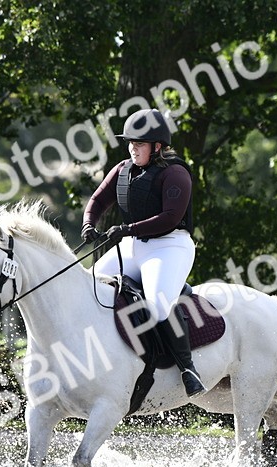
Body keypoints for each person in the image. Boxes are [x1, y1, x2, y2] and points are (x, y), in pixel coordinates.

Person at [81, 108, 206, 396]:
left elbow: (170, 218)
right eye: (131, 143)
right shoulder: (123, 169)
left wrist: (127, 229)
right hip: (134, 245)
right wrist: (89, 223)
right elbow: (98, 200)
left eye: (139, 144)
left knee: (159, 305)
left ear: (157, 146)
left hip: (169, 246)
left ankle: (188, 369)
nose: (132, 149)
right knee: (90, 285)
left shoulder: (175, 174)